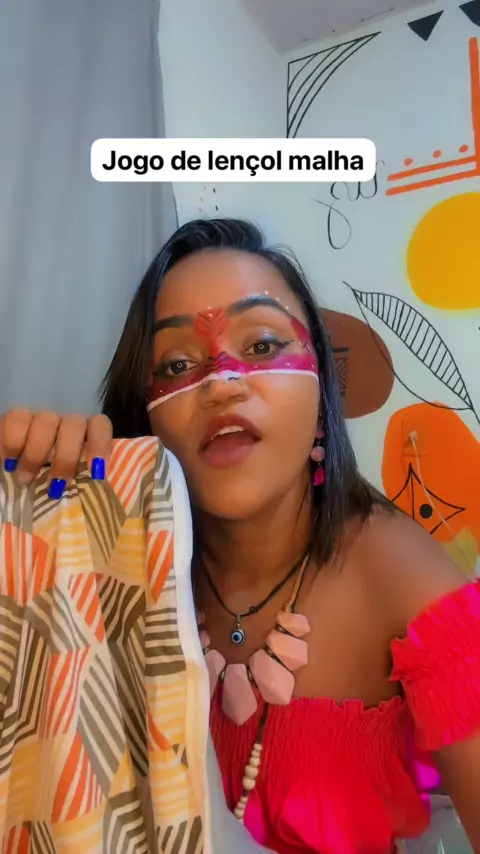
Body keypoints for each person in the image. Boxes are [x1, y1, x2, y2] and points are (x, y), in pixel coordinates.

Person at [1, 217, 480, 854]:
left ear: (322, 395)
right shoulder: (101, 553)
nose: (223, 382)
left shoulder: (409, 584)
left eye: (261, 344)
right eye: (177, 362)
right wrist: (30, 509)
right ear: (144, 415)